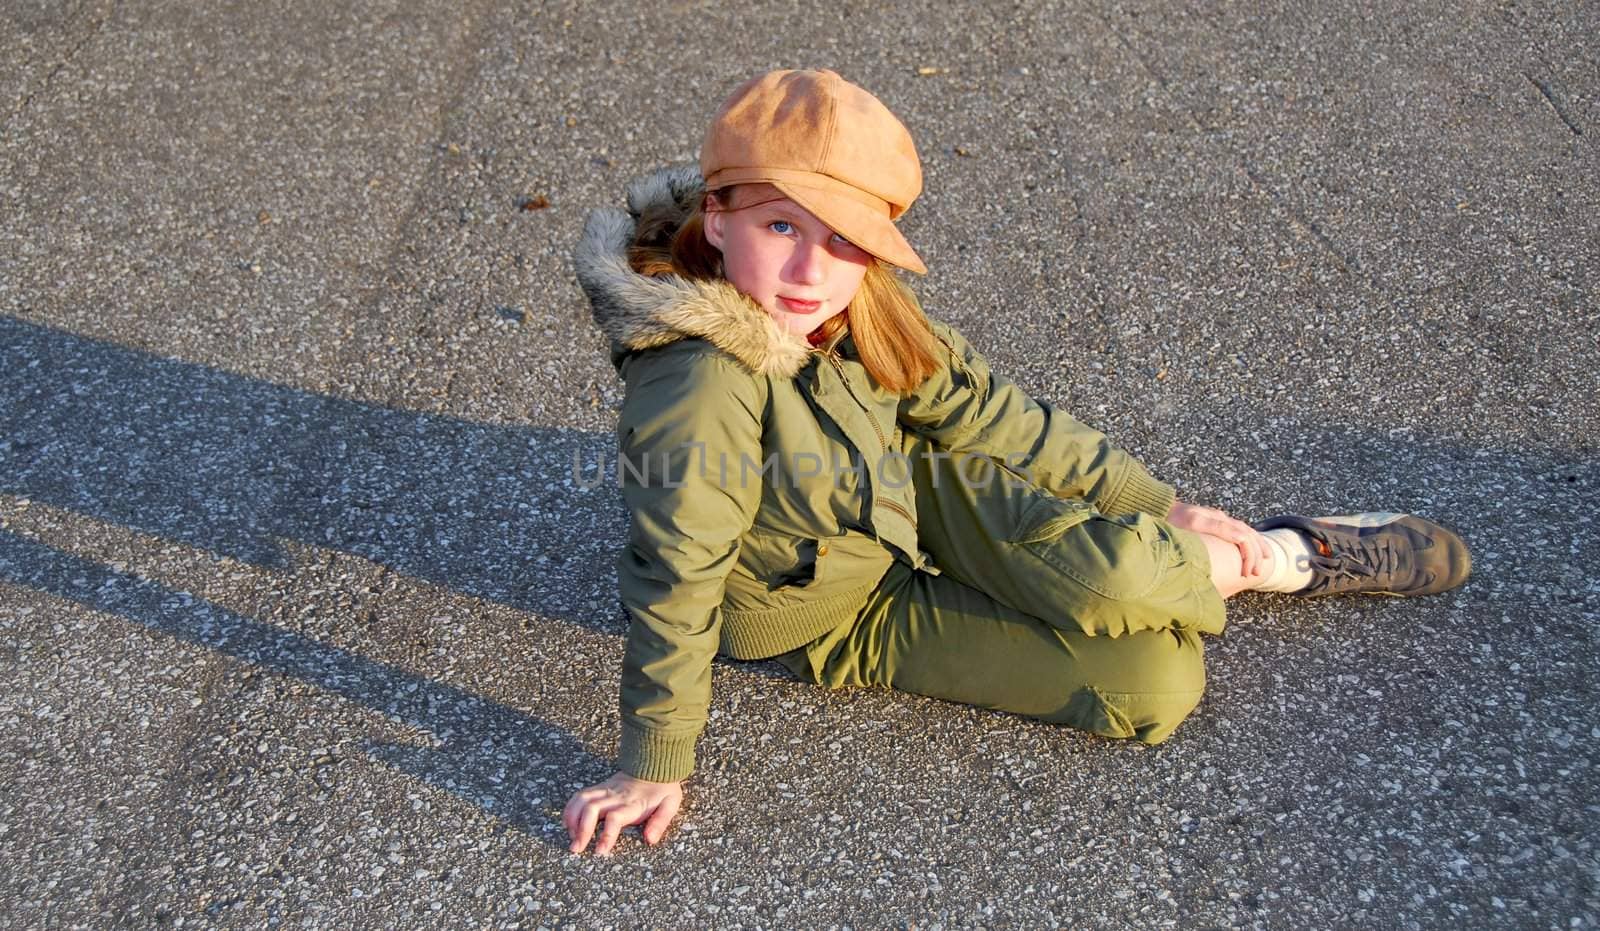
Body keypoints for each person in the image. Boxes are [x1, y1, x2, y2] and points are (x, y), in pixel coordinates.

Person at [563, 69, 1471, 857]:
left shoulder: (854, 306)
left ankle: (1288, 556)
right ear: (718, 220)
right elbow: (675, 572)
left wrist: (1157, 503)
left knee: (1117, 572)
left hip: (901, 486)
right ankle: (1232, 568)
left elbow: (992, 415)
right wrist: (654, 760)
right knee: (1156, 684)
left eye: (845, 239)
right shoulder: (700, 387)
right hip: (825, 610)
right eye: (782, 227)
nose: (812, 268)